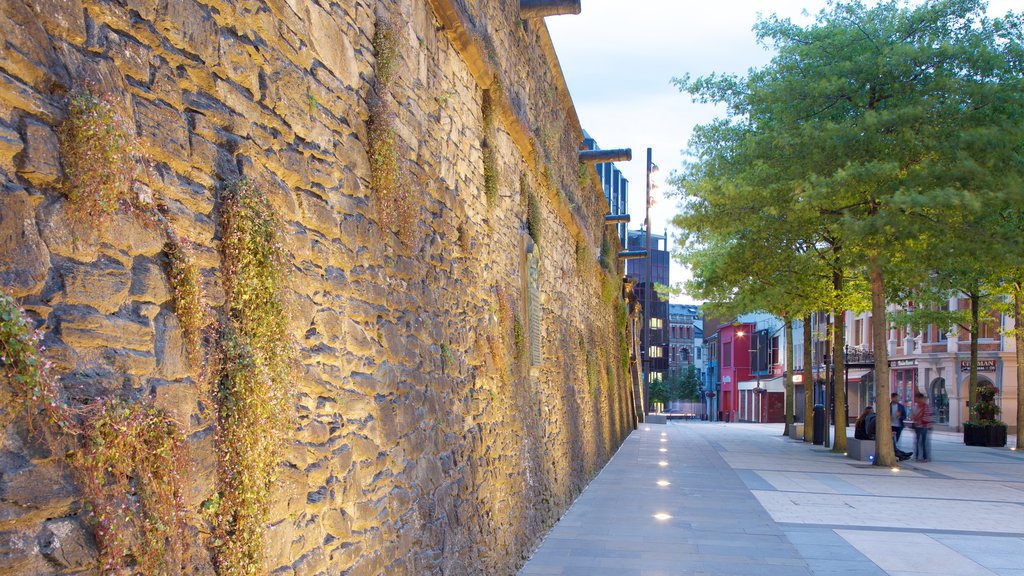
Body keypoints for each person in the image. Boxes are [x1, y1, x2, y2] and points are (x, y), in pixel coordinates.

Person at [911, 392, 934, 461]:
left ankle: (924, 457)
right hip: (918, 426)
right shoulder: (915, 407)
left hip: (924, 426)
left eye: (917, 398)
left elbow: (929, 416)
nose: (916, 400)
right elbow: (912, 416)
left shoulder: (926, 407)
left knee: (923, 442)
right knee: (918, 441)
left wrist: (921, 420)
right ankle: (917, 456)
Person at [891, 393, 911, 460]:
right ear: (892, 398)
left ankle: (899, 454)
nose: (897, 399)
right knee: (891, 441)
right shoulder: (888, 406)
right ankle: (899, 454)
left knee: (896, 441)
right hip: (891, 426)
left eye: (897, 398)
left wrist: (900, 417)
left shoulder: (901, 406)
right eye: (895, 398)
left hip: (898, 426)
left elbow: (904, 416)